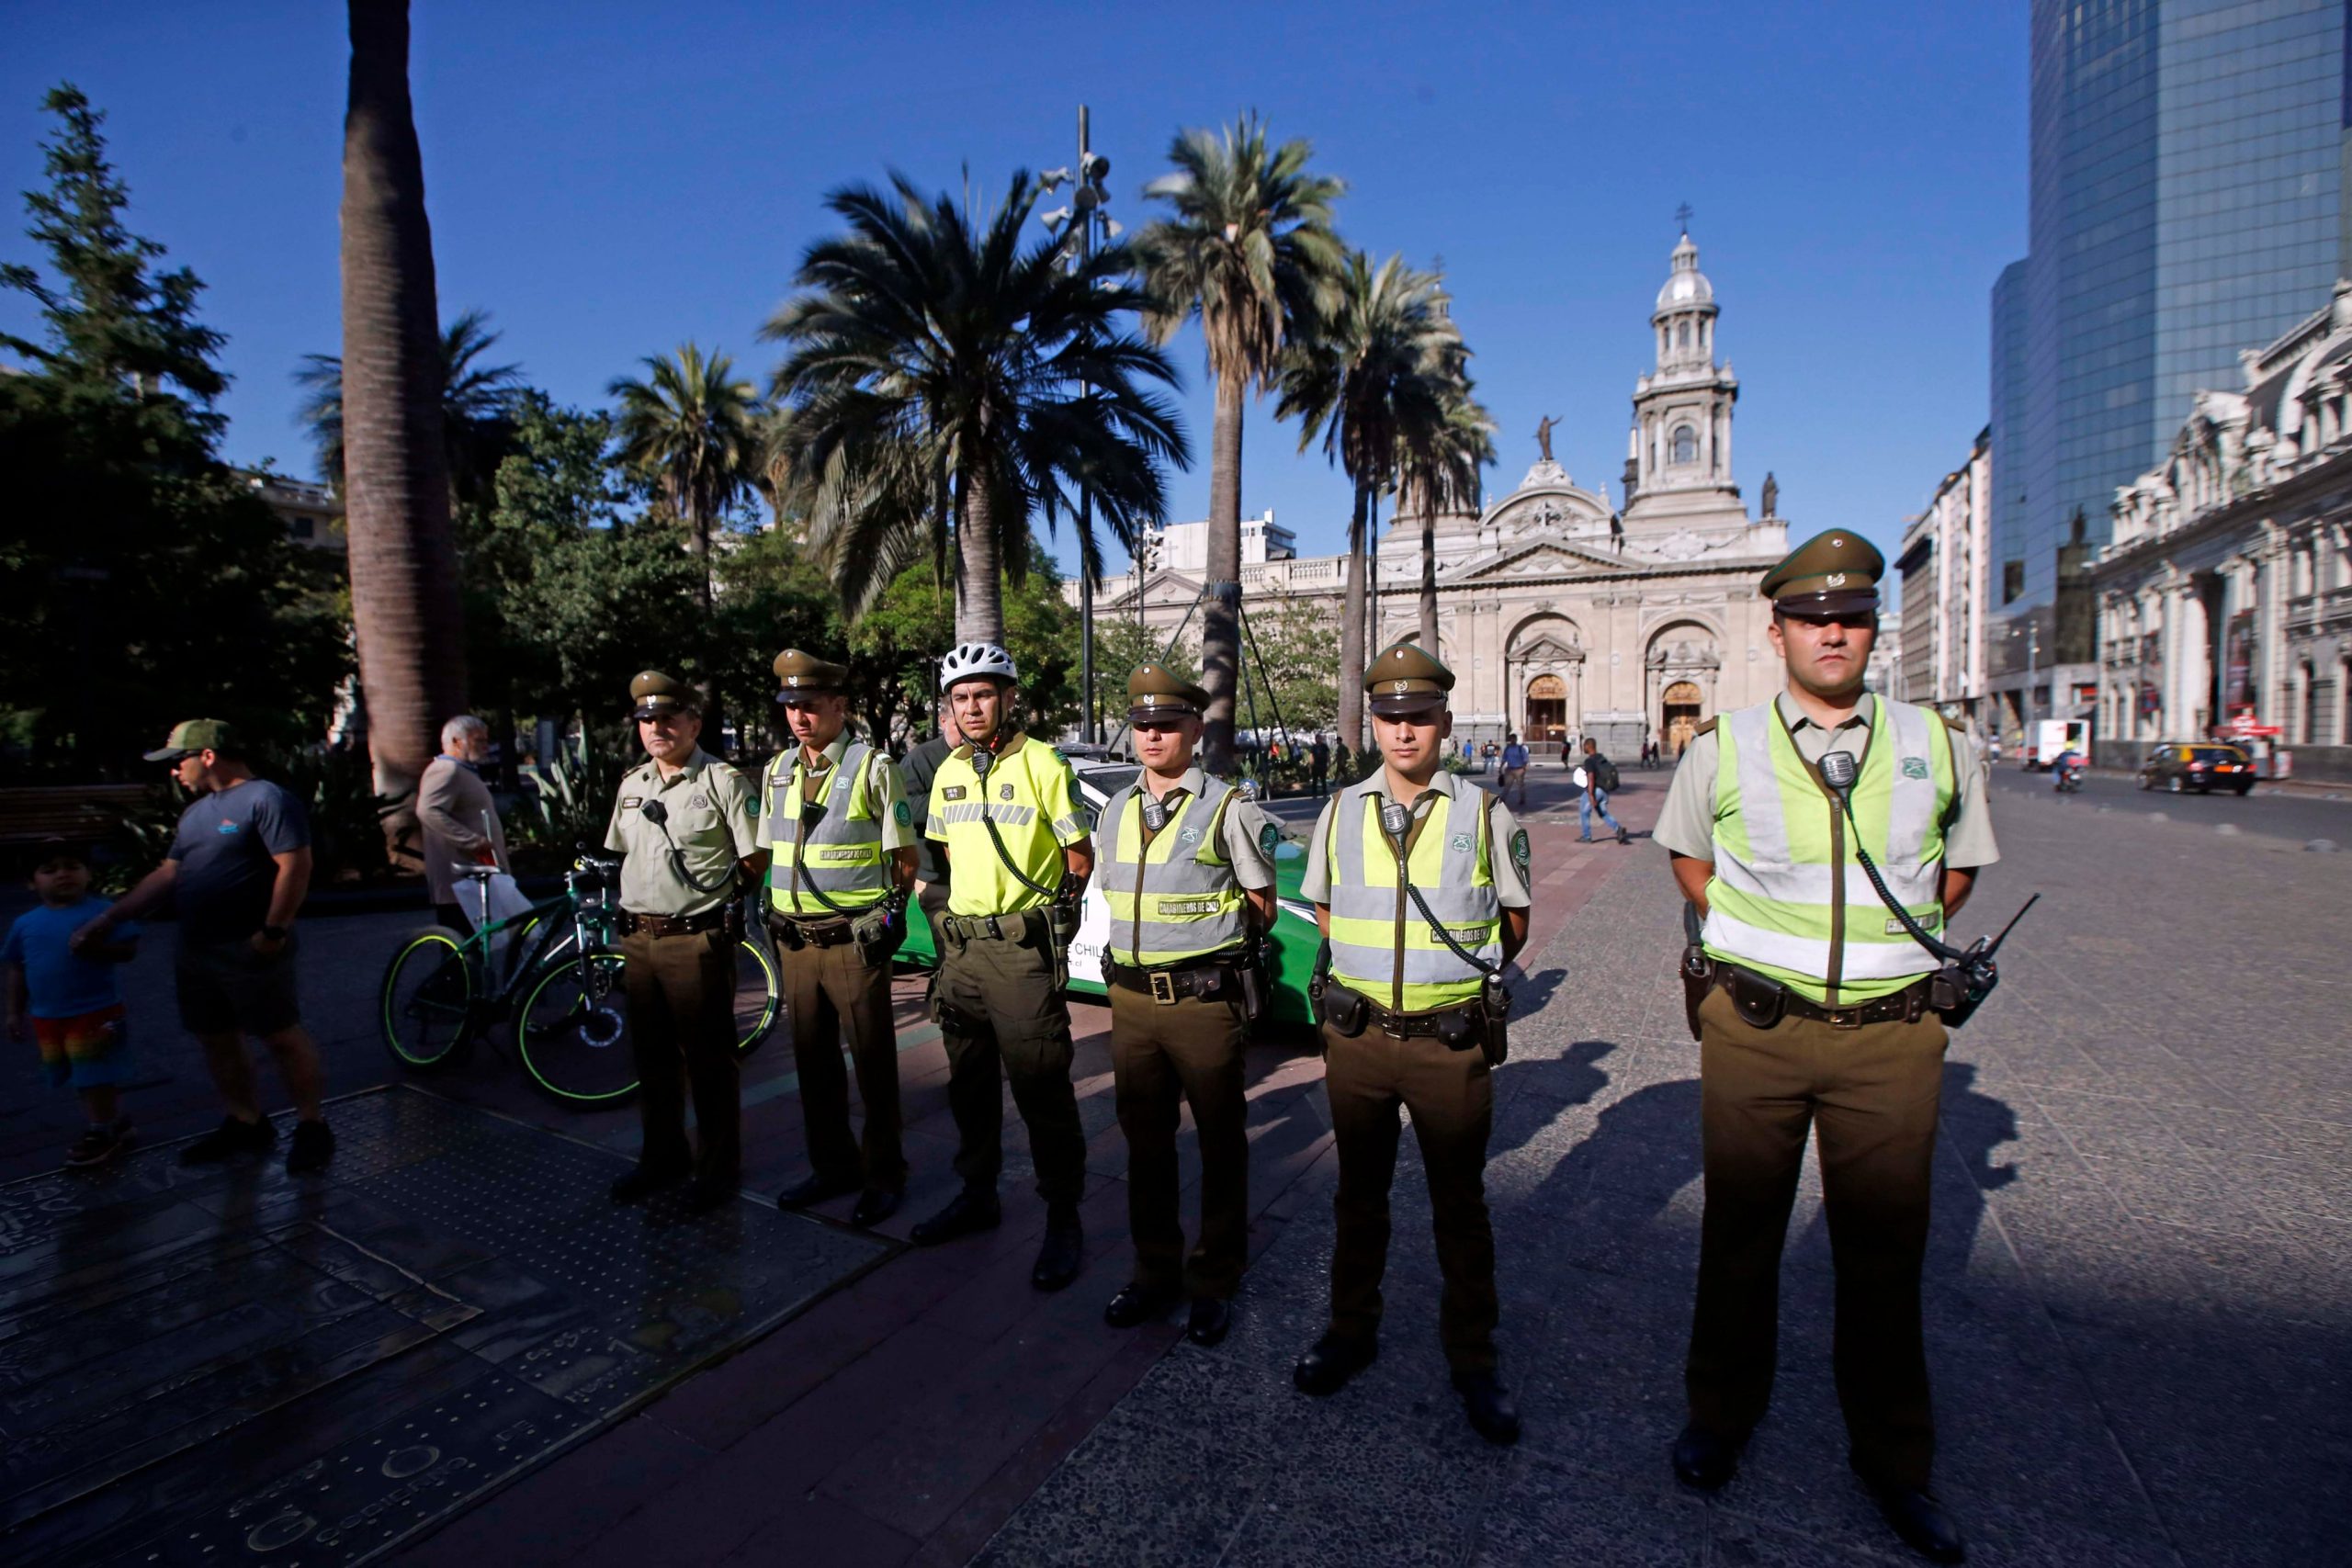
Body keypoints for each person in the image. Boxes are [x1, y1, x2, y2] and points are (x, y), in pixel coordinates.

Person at [1652, 530, 1997, 1565]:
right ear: (1779, 631)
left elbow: (1958, 871)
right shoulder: (1724, 744)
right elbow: (1688, 858)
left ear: (1872, 629)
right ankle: (1720, 1416)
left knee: (1885, 1254)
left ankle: (1893, 1460)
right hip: (1755, 1029)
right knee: (1738, 1234)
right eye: (1812, 619)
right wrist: (1761, 949)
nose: (1831, 633)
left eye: (1848, 618)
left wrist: (1877, 954)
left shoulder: (1936, 742)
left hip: (1891, 1036)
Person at [1295, 641, 1532, 1446]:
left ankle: (1473, 1358)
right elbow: (1325, 909)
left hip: (1448, 1042)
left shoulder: (1485, 812)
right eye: (1390, 717)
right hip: (1359, 1038)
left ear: (1445, 722)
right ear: (1374, 722)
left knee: (1459, 1205)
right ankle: (1349, 1331)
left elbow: (1514, 922)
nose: (1404, 731)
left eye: (1418, 716)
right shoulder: (1339, 810)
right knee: (1358, 1196)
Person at [1096, 664, 1280, 1348]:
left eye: (1166, 725)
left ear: (1195, 730)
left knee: (1220, 1141)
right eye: (1142, 725)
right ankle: (1153, 1271)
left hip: (1204, 1003)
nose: (1151, 736)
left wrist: (1211, 950)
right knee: (1145, 1146)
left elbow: (1262, 903)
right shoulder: (1115, 808)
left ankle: (1214, 1276)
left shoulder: (1228, 807)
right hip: (1132, 1003)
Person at [914, 642, 1095, 1292]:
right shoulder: (948, 769)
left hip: (1019, 953)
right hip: (960, 950)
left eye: (983, 694)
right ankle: (977, 1192)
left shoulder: (1043, 762)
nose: (971, 706)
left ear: (1009, 698)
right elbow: (946, 855)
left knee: (1042, 1086)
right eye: (961, 697)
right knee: (968, 1081)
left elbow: (1079, 854)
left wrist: (1053, 920)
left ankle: (1063, 1215)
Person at [74, 719, 332, 1172]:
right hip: (197, 949)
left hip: (250, 947)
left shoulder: (266, 799)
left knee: (280, 1035)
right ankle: (246, 1122)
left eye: (178, 761)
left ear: (207, 755)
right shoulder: (195, 814)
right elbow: (168, 873)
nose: (175, 772)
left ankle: (312, 1126)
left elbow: (295, 865)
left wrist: (272, 932)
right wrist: (109, 917)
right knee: (216, 1039)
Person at [763, 649, 918, 1228]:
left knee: (874, 1063)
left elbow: (904, 855)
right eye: (791, 707)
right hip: (795, 943)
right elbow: (771, 850)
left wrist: (890, 914)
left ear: (838, 707)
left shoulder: (872, 767)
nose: (799, 717)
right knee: (813, 1062)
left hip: (852, 942)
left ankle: (884, 1175)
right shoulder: (778, 771)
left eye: (810, 706)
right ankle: (832, 1167)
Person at [603, 672, 763, 1214]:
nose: (657, 728)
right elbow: (624, 852)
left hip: (694, 940)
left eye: (668, 719)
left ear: (694, 723)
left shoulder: (721, 780)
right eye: (647, 720)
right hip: (638, 940)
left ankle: (717, 1170)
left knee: (709, 1062)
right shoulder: (632, 784)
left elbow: (753, 858)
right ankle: (662, 1157)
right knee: (652, 1061)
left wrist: (722, 906)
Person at [5, 841, 141, 1167]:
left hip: (95, 1011)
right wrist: (13, 1010)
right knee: (81, 1075)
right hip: (49, 1016)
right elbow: (16, 967)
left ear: (87, 873)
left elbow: (128, 949)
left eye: (71, 866)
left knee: (93, 1073)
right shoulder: (25, 923)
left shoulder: (102, 913)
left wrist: (97, 949)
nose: (62, 874)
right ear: (31, 881)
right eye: (49, 870)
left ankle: (101, 1129)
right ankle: (113, 1120)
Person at [419, 716, 508, 933]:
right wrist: (473, 842)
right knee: (461, 948)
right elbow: (427, 810)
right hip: (459, 881)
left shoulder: (462, 771)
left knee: (474, 945)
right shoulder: (446, 771)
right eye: (478, 740)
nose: (486, 745)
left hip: (473, 878)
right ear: (457, 741)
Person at [900, 702, 961, 932]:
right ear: (943, 722)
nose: (964, 731)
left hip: (974, 877)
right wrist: (953, 801)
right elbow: (905, 809)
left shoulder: (980, 755)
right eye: (957, 725)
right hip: (937, 879)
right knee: (948, 948)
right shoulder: (920, 759)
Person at [1577, 738, 1630, 846]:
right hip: (1605, 791)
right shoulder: (1602, 758)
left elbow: (1590, 778)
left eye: (1584, 746)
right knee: (1603, 813)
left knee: (1584, 812)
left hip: (1595, 790)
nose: (1583, 748)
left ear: (1588, 746)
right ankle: (1618, 829)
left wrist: (1591, 795)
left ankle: (1586, 836)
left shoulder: (1589, 761)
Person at [1498, 731, 1530, 810]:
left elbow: (1525, 758)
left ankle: (1522, 799)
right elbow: (1504, 758)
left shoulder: (1520, 748)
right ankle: (1503, 799)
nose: (1512, 740)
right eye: (1511, 739)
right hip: (1510, 769)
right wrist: (1501, 767)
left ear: (1516, 739)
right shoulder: (1507, 748)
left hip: (1519, 769)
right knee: (1507, 785)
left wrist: (1523, 768)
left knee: (1520, 785)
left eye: (1513, 739)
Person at [1311, 734, 1330, 798]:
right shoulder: (1314, 747)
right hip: (1315, 766)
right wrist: (1311, 764)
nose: (1318, 740)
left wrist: (1328, 763)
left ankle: (1324, 793)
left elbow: (1328, 755)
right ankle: (1314, 794)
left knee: (1323, 780)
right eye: (1317, 738)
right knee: (1315, 781)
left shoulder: (1324, 746)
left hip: (1323, 765)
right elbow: (1311, 756)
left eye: (1319, 738)